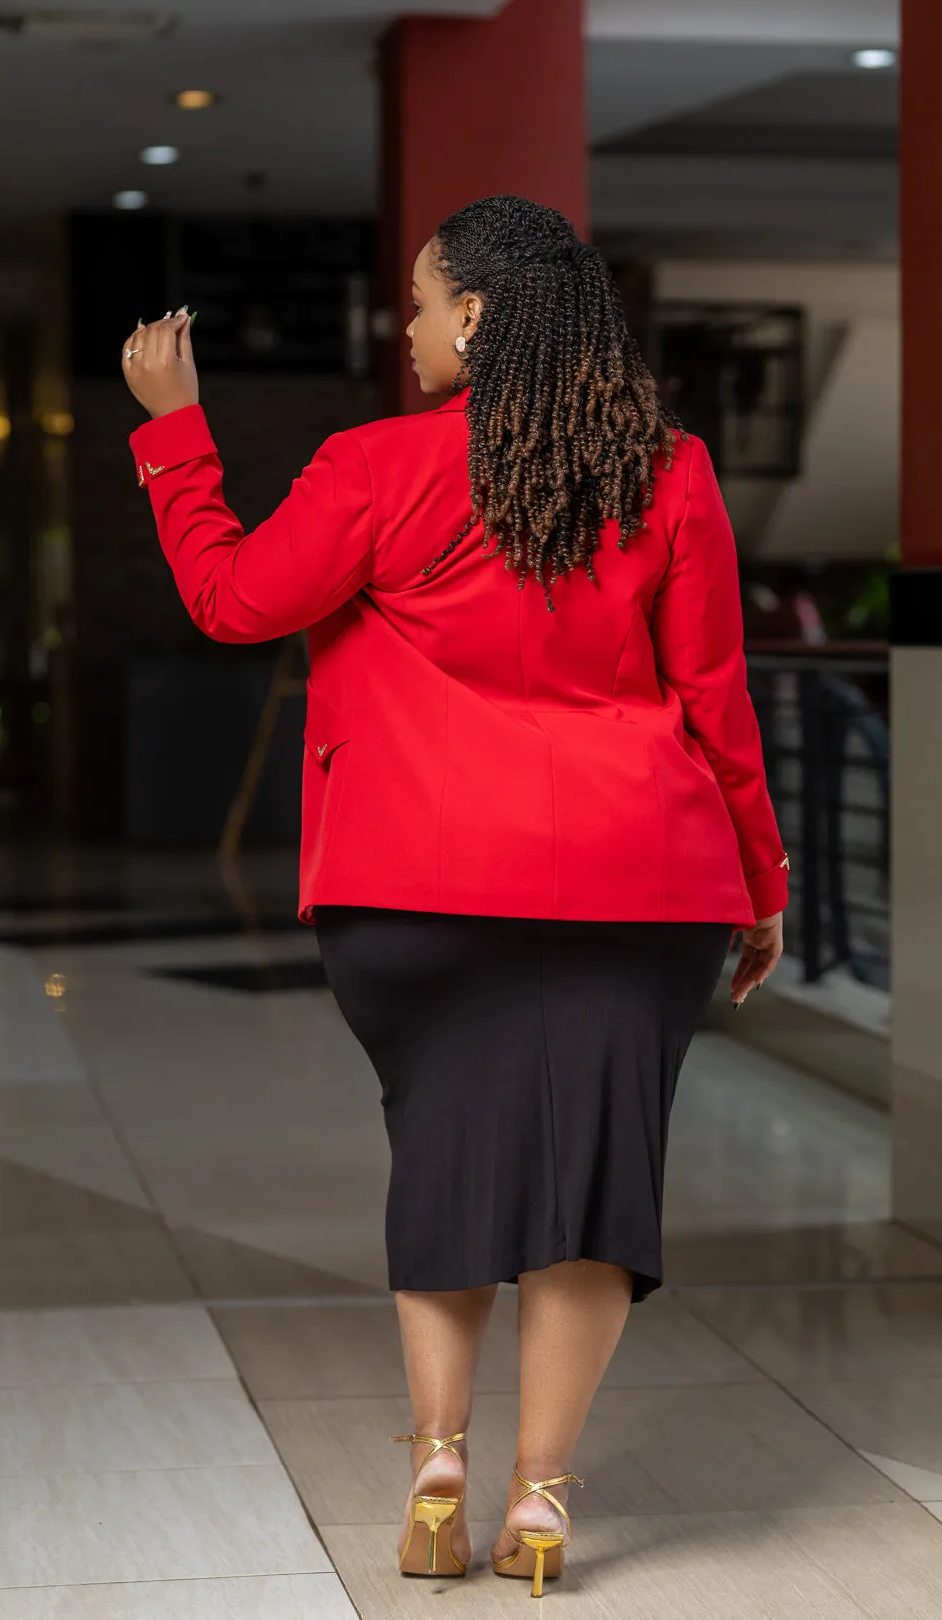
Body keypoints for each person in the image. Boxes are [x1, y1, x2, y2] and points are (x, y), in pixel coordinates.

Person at [121, 195, 788, 1597]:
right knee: (595, 1182)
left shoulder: (374, 466)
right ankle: (540, 1504)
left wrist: (175, 431)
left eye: (422, 301)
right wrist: (762, 881)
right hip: (637, 885)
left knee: (447, 1154)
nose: (406, 324)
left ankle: (438, 1466)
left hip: (411, 892)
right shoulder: (669, 475)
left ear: (477, 315)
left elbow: (234, 601)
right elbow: (713, 700)